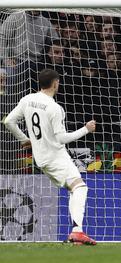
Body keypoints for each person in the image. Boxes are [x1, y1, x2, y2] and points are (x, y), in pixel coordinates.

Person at [2, 68, 98, 245]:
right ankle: (77, 232)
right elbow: (62, 138)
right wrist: (86, 129)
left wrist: (24, 140)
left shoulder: (27, 99)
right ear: (55, 83)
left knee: (74, 188)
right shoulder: (55, 108)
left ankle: (76, 234)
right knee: (80, 188)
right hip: (55, 156)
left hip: (40, 157)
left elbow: (8, 121)